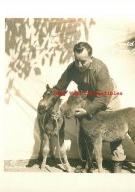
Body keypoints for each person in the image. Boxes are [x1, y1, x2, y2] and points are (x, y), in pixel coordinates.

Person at [53, 42, 125, 173]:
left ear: (91, 58)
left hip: (107, 96)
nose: (79, 65)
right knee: (85, 128)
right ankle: (88, 162)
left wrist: (88, 111)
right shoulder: (72, 68)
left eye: (83, 62)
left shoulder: (101, 68)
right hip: (88, 97)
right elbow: (60, 87)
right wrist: (51, 100)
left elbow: (102, 99)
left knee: (115, 125)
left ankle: (117, 161)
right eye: (76, 61)